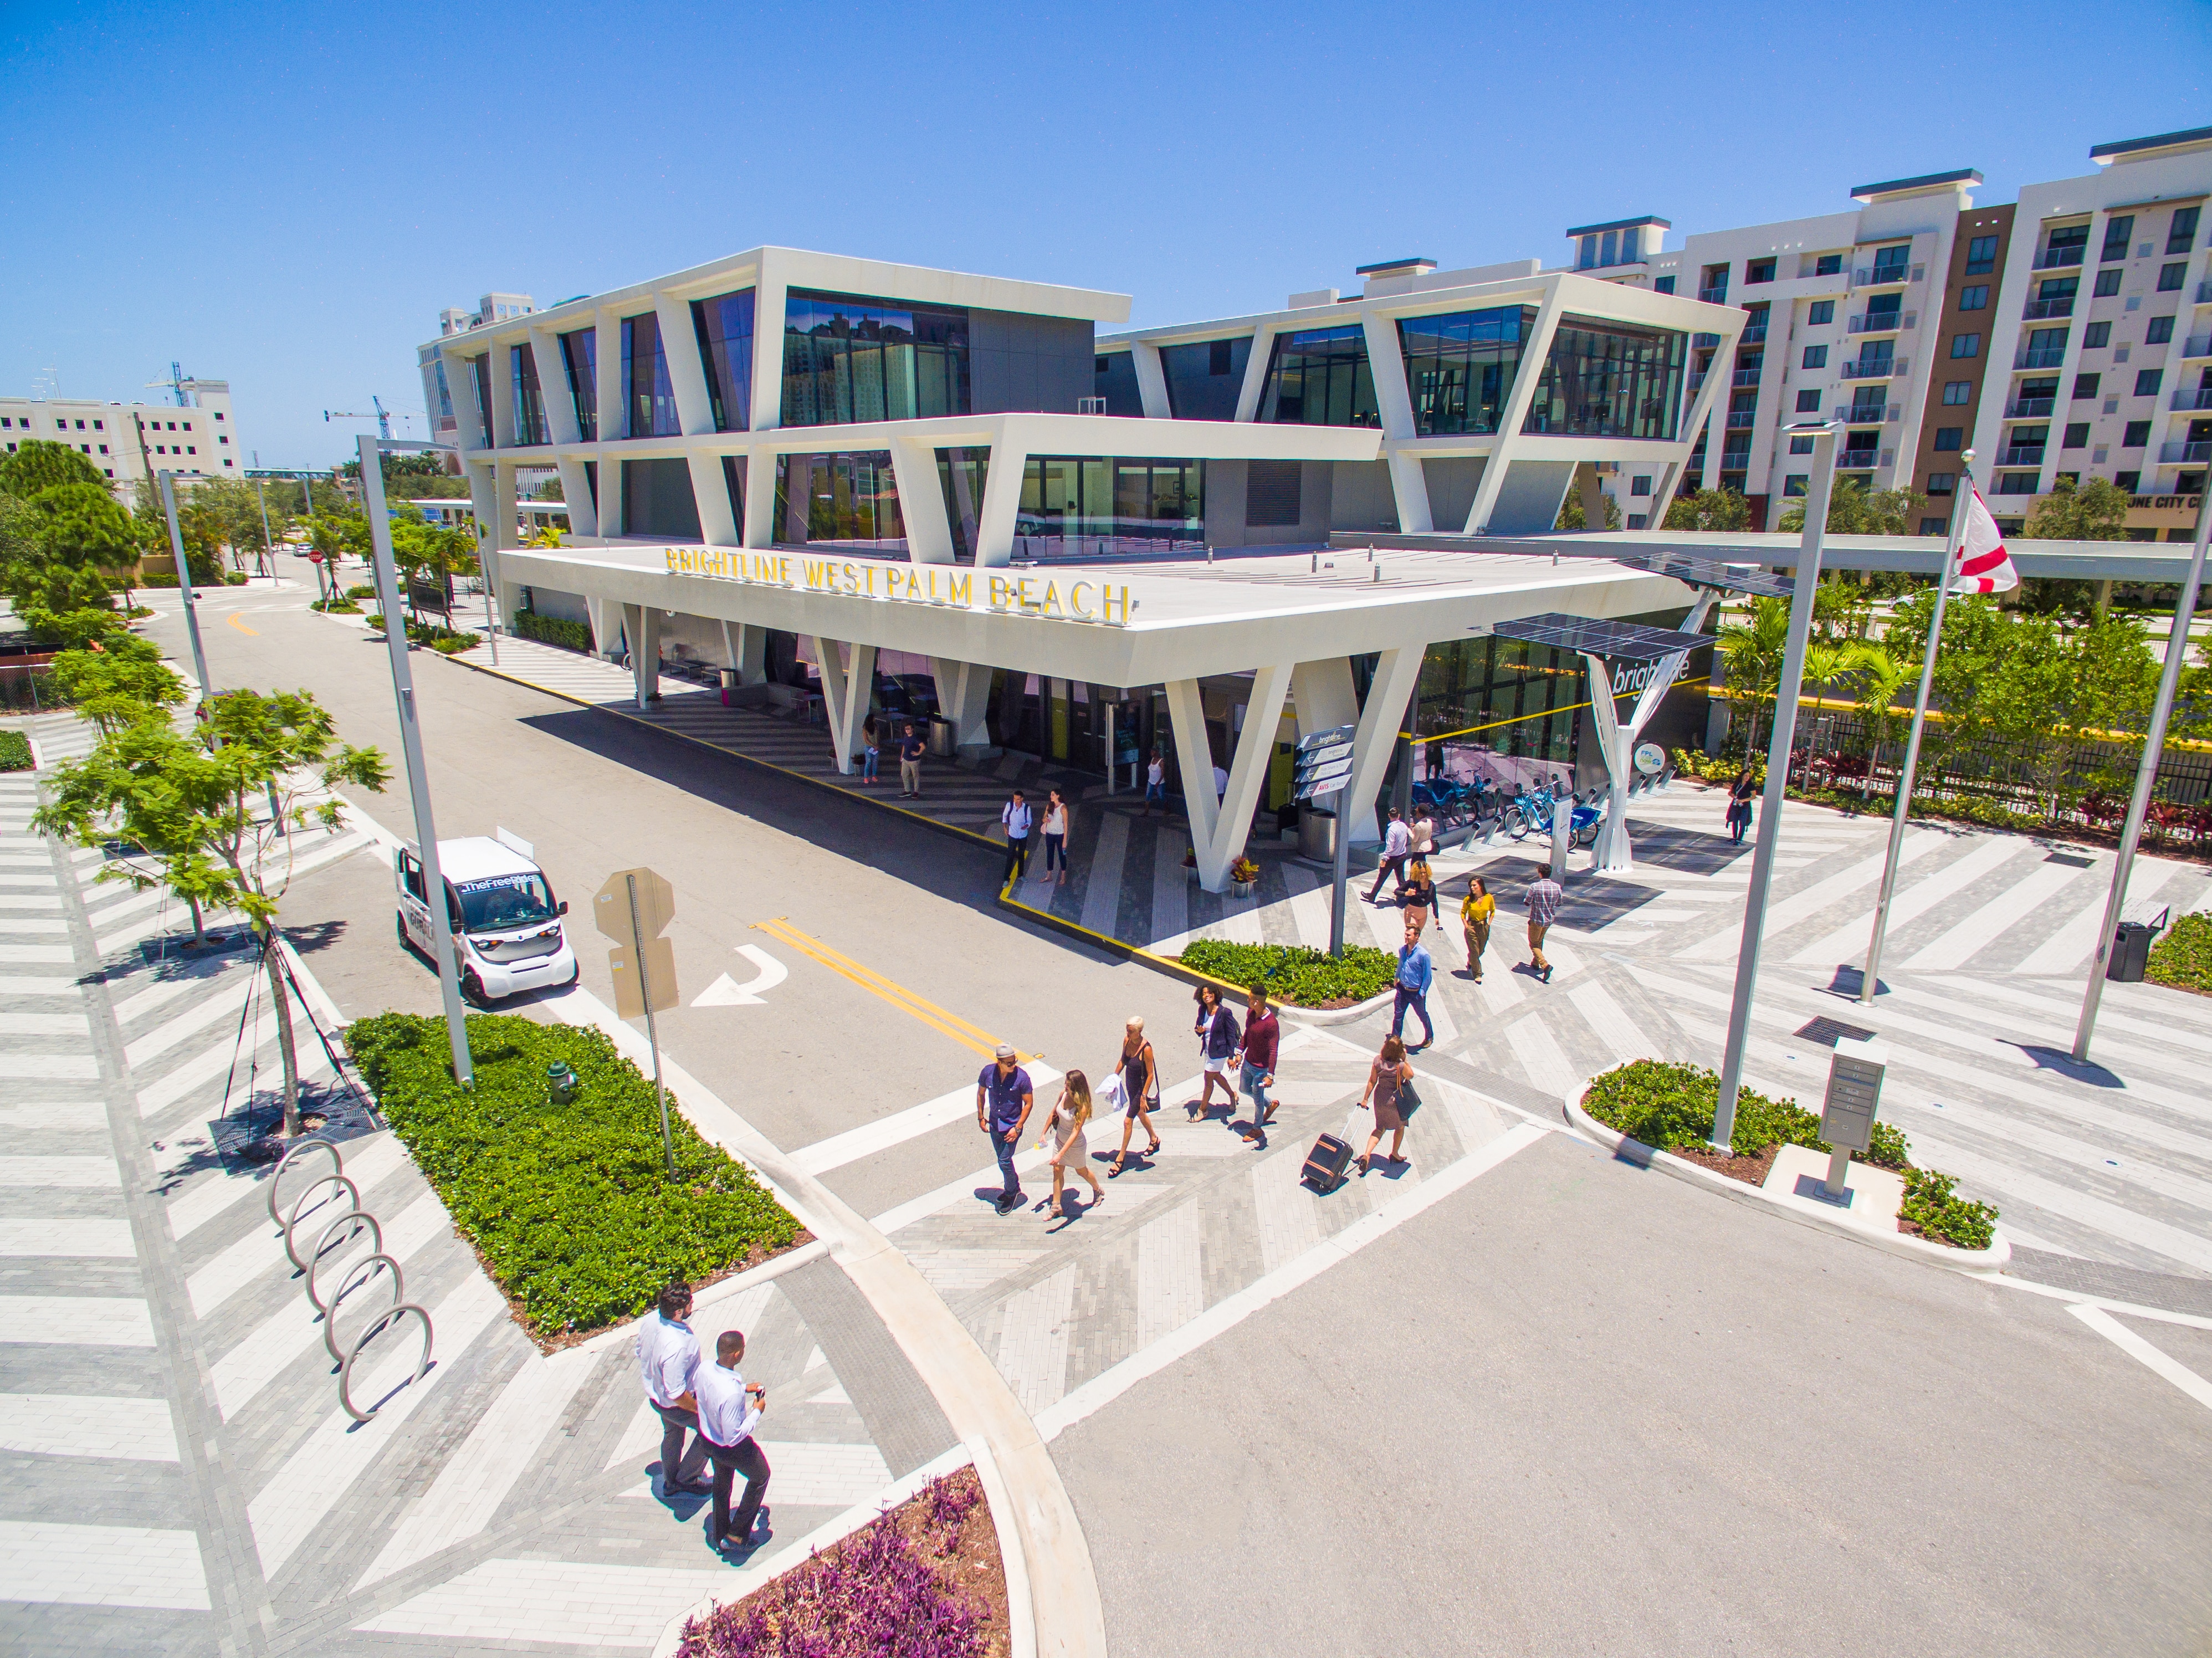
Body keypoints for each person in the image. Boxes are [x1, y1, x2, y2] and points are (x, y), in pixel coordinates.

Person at [694, 1327, 771, 1552]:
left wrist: (744, 1388)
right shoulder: (731, 1394)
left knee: (722, 1482)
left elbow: (708, 1390)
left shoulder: (705, 1368)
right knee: (761, 1476)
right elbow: (734, 1436)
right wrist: (757, 1411)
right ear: (737, 1354)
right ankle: (737, 1534)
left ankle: (719, 1535)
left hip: (708, 1440)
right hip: (730, 1446)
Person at [636, 1280, 711, 1497]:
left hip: (656, 1397)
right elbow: (677, 1394)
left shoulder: (651, 1320)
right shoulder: (677, 1346)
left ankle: (670, 1482)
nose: (692, 1305)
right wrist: (700, 1409)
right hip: (674, 1404)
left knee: (672, 1433)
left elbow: (640, 1351)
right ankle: (686, 1479)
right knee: (711, 1431)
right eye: (689, 1303)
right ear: (678, 1312)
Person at [975, 1043, 1035, 1214]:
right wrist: (981, 1117)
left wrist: (1017, 1127)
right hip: (995, 1124)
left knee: (1004, 1161)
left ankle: (1011, 1192)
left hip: (1012, 1126)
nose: (1013, 1065)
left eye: (1014, 1061)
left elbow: (1029, 1103)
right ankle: (1014, 1187)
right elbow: (980, 1094)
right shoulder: (987, 1073)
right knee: (1004, 1162)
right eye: (1009, 1063)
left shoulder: (1022, 1078)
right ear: (999, 1062)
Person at [1042, 1069, 1105, 1219]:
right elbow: (1053, 1114)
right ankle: (1056, 1205)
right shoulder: (1062, 1095)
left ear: (1076, 1088)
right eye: (1066, 1083)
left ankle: (1097, 1190)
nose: (1065, 1086)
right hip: (1060, 1140)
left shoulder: (1082, 1107)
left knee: (1081, 1171)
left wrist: (1061, 1154)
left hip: (1075, 1145)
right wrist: (1043, 1134)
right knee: (1057, 1170)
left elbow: (1075, 1133)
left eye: (1068, 1085)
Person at [1108, 1015, 1161, 1176]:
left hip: (1140, 1090)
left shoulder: (1146, 1049)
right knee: (1140, 1113)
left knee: (1127, 1121)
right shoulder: (1127, 1041)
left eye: (1131, 1031)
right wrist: (1114, 1077)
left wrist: (1144, 1095)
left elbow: (1150, 1075)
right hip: (1130, 1086)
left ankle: (1121, 1158)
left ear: (1139, 1031)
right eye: (1127, 1029)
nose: (1127, 1033)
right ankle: (1154, 1139)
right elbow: (1123, 1060)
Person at [1358, 1035, 1412, 1174]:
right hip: (1395, 1102)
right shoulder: (1400, 1066)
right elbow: (1411, 1075)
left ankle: (1367, 1155)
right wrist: (1406, 1061)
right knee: (1400, 1127)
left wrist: (1365, 1100)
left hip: (1380, 1099)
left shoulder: (1378, 1061)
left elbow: (1372, 1081)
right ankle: (1395, 1154)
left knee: (1379, 1128)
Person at [1236, 985, 1280, 1144]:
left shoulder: (1271, 1024)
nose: (1247, 1000)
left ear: (1256, 1001)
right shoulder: (1251, 1014)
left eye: (1249, 998)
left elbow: (1274, 1050)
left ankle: (1257, 1128)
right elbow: (1247, 1033)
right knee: (1244, 1089)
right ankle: (1271, 1104)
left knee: (1257, 1098)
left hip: (1261, 1070)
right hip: (1248, 1062)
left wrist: (1270, 1075)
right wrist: (1239, 1052)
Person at [1191, 983, 1241, 1121]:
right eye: (1204, 993)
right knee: (1216, 1076)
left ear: (1215, 994)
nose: (1206, 995)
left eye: (1209, 993)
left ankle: (1203, 1109)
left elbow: (1231, 1036)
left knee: (1208, 1079)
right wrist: (1199, 1030)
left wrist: (1231, 1057)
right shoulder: (1202, 1010)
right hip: (1209, 1051)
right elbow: (1198, 1027)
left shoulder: (1225, 1012)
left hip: (1220, 1052)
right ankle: (1232, 1095)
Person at [1391, 919, 1435, 1048]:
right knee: (1398, 1014)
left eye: (1409, 935)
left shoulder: (1423, 955)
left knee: (1422, 1015)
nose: (1406, 937)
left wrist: (1422, 992)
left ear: (1417, 937)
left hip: (1416, 993)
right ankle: (1395, 1040)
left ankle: (1429, 1036)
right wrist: (1396, 977)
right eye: (1406, 934)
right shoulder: (1403, 950)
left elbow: (1428, 976)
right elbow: (1400, 964)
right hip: (1402, 989)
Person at [1364, 807, 1412, 904]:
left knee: (1382, 877)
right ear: (1399, 816)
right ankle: (1406, 897)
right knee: (1401, 878)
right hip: (1402, 855)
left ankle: (1372, 896)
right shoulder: (1403, 825)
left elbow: (1390, 847)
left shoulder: (1391, 830)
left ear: (1389, 816)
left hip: (1392, 858)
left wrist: (1384, 859)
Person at [1526, 865, 1563, 983]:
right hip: (1549, 920)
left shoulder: (1535, 887)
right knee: (1540, 940)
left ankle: (1545, 965)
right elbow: (1559, 903)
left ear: (1540, 873)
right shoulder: (1557, 887)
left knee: (1533, 944)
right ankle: (1535, 963)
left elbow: (1527, 901)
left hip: (1536, 919)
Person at [1461, 875, 1496, 982]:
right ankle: (1478, 974)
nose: (1472, 888)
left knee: (1481, 950)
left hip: (1483, 926)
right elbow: (1463, 913)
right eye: (1471, 886)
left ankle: (1471, 961)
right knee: (1475, 951)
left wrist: (1489, 924)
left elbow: (1493, 911)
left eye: (1474, 885)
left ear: (1480, 886)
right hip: (1472, 926)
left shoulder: (1489, 898)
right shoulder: (1468, 899)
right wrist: (1467, 926)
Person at [1000, 789, 1033, 886]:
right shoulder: (1009, 805)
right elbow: (1005, 816)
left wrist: (1026, 826)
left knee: (1021, 856)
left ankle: (1021, 875)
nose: (1016, 801)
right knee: (1010, 855)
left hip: (1023, 835)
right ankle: (1006, 878)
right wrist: (1005, 828)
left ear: (1022, 799)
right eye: (1015, 799)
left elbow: (1029, 821)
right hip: (1013, 834)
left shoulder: (1027, 808)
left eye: (1018, 799)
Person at [1040, 788, 1069, 886]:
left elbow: (1066, 824)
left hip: (1060, 835)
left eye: (1053, 795)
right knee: (1050, 854)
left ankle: (1063, 876)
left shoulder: (1063, 808)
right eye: (1051, 794)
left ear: (1058, 796)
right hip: (1050, 834)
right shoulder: (1049, 806)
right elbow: (1043, 818)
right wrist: (1045, 820)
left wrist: (1065, 840)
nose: (1051, 796)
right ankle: (1049, 875)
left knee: (1062, 855)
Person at [1401, 858, 1437, 930]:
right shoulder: (1412, 883)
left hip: (1423, 913)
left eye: (1425, 872)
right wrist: (1407, 893)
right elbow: (1397, 891)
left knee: (1417, 936)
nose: (1423, 875)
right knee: (1412, 932)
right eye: (1421, 873)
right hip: (1411, 911)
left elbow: (1434, 901)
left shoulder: (1431, 885)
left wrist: (1436, 916)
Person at [1727, 766, 1756, 844]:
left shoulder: (1750, 785)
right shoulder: (1737, 784)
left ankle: (1740, 839)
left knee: (1743, 823)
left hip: (1744, 806)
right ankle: (1735, 837)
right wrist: (1733, 796)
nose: (1747, 777)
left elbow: (1753, 797)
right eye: (1746, 776)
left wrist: (1742, 801)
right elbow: (1730, 792)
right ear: (1742, 776)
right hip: (1736, 805)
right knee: (1735, 821)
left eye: (1749, 776)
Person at [899, 721, 927, 798]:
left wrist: (918, 753)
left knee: (915, 776)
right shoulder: (906, 737)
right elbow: (904, 746)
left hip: (914, 761)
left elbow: (923, 746)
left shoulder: (915, 738)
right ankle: (907, 790)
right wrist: (902, 755)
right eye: (906, 729)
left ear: (912, 730)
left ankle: (916, 792)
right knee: (904, 775)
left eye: (909, 729)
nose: (907, 730)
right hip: (906, 760)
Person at [1143, 750, 1168, 817]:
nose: (1151, 753)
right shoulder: (1152, 759)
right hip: (1151, 781)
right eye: (1151, 752)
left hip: (1159, 783)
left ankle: (1166, 808)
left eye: (1153, 752)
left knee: (1161, 796)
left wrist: (1158, 782)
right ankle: (1146, 812)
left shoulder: (1161, 762)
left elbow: (1163, 774)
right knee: (1148, 796)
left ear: (1157, 752)